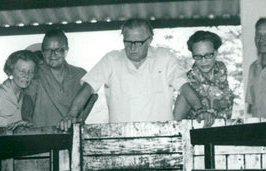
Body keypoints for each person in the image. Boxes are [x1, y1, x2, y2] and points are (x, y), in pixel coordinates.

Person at [58, 18, 201, 128]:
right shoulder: (111, 59)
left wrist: (200, 110)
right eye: (127, 42)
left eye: (137, 42)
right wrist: (71, 115)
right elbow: (88, 88)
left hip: (161, 137)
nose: (132, 48)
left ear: (149, 40)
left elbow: (185, 87)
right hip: (120, 138)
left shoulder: (165, 58)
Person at [21, 29, 88, 127]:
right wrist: (26, 119)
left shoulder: (80, 74)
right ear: (43, 52)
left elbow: (93, 97)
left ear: (66, 50)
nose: (52, 54)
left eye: (58, 50)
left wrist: (80, 119)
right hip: (43, 134)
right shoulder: (36, 73)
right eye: (48, 50)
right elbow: (28, 99)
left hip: (73, 135)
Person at [172, 30, 235, 127]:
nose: (203, 61)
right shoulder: (187, 82)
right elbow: (177, 122)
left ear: (215, 53)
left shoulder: (221, 70)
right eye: (198, 56)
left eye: (208, 55)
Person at [245, 17, 266, 118]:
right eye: (258, 35)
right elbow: (252, 105)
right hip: (259, 130)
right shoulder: (253, 68)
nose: (261, 39)